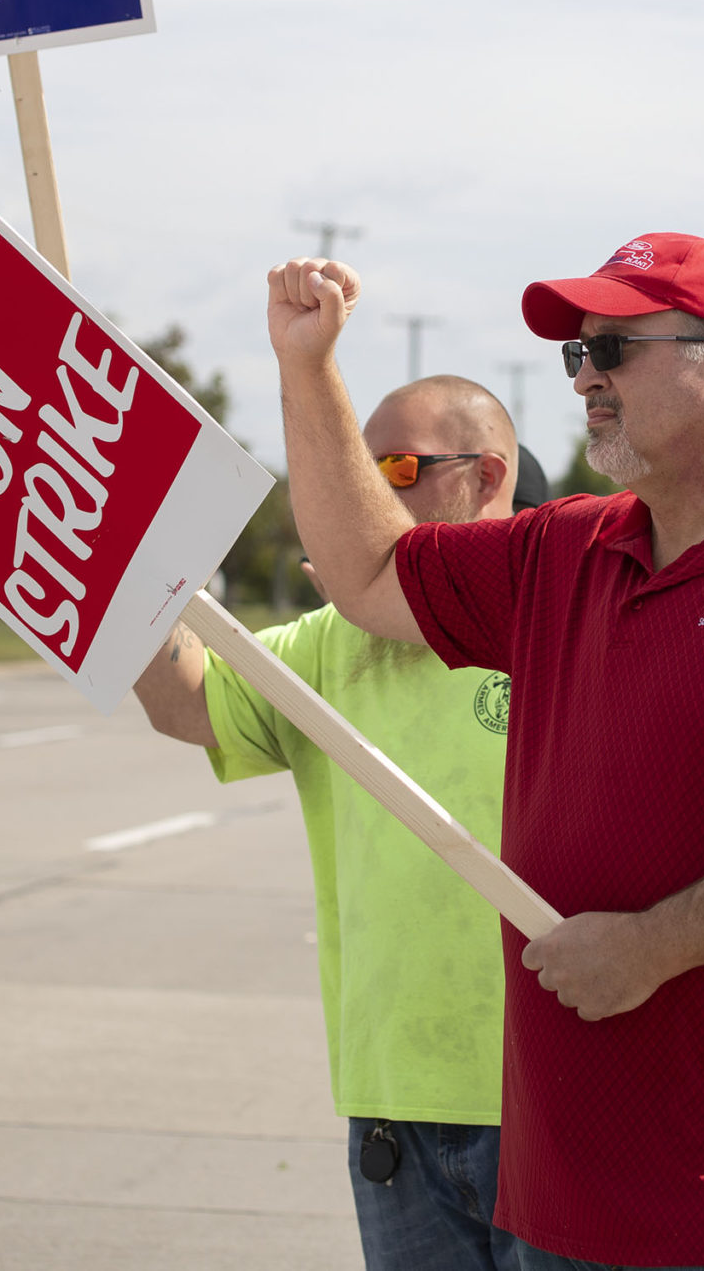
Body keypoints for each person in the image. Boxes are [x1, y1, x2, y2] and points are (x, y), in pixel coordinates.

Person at [267, 234, 704, 1271]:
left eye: (614, 349)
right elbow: (368, 574)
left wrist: (655, 943)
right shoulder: (571, 548)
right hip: (567, 1183)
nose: (586, 375)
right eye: (576, 354)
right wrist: (307, 367)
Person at [131, 376, 530, 1271]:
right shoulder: (331, 641)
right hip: (394, 1105)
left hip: (554, 1106)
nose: (363, 493)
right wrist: (134, 581)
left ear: (487, 475)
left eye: (394, 470)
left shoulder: (560, 615)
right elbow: (184, 703)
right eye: (352, 470)